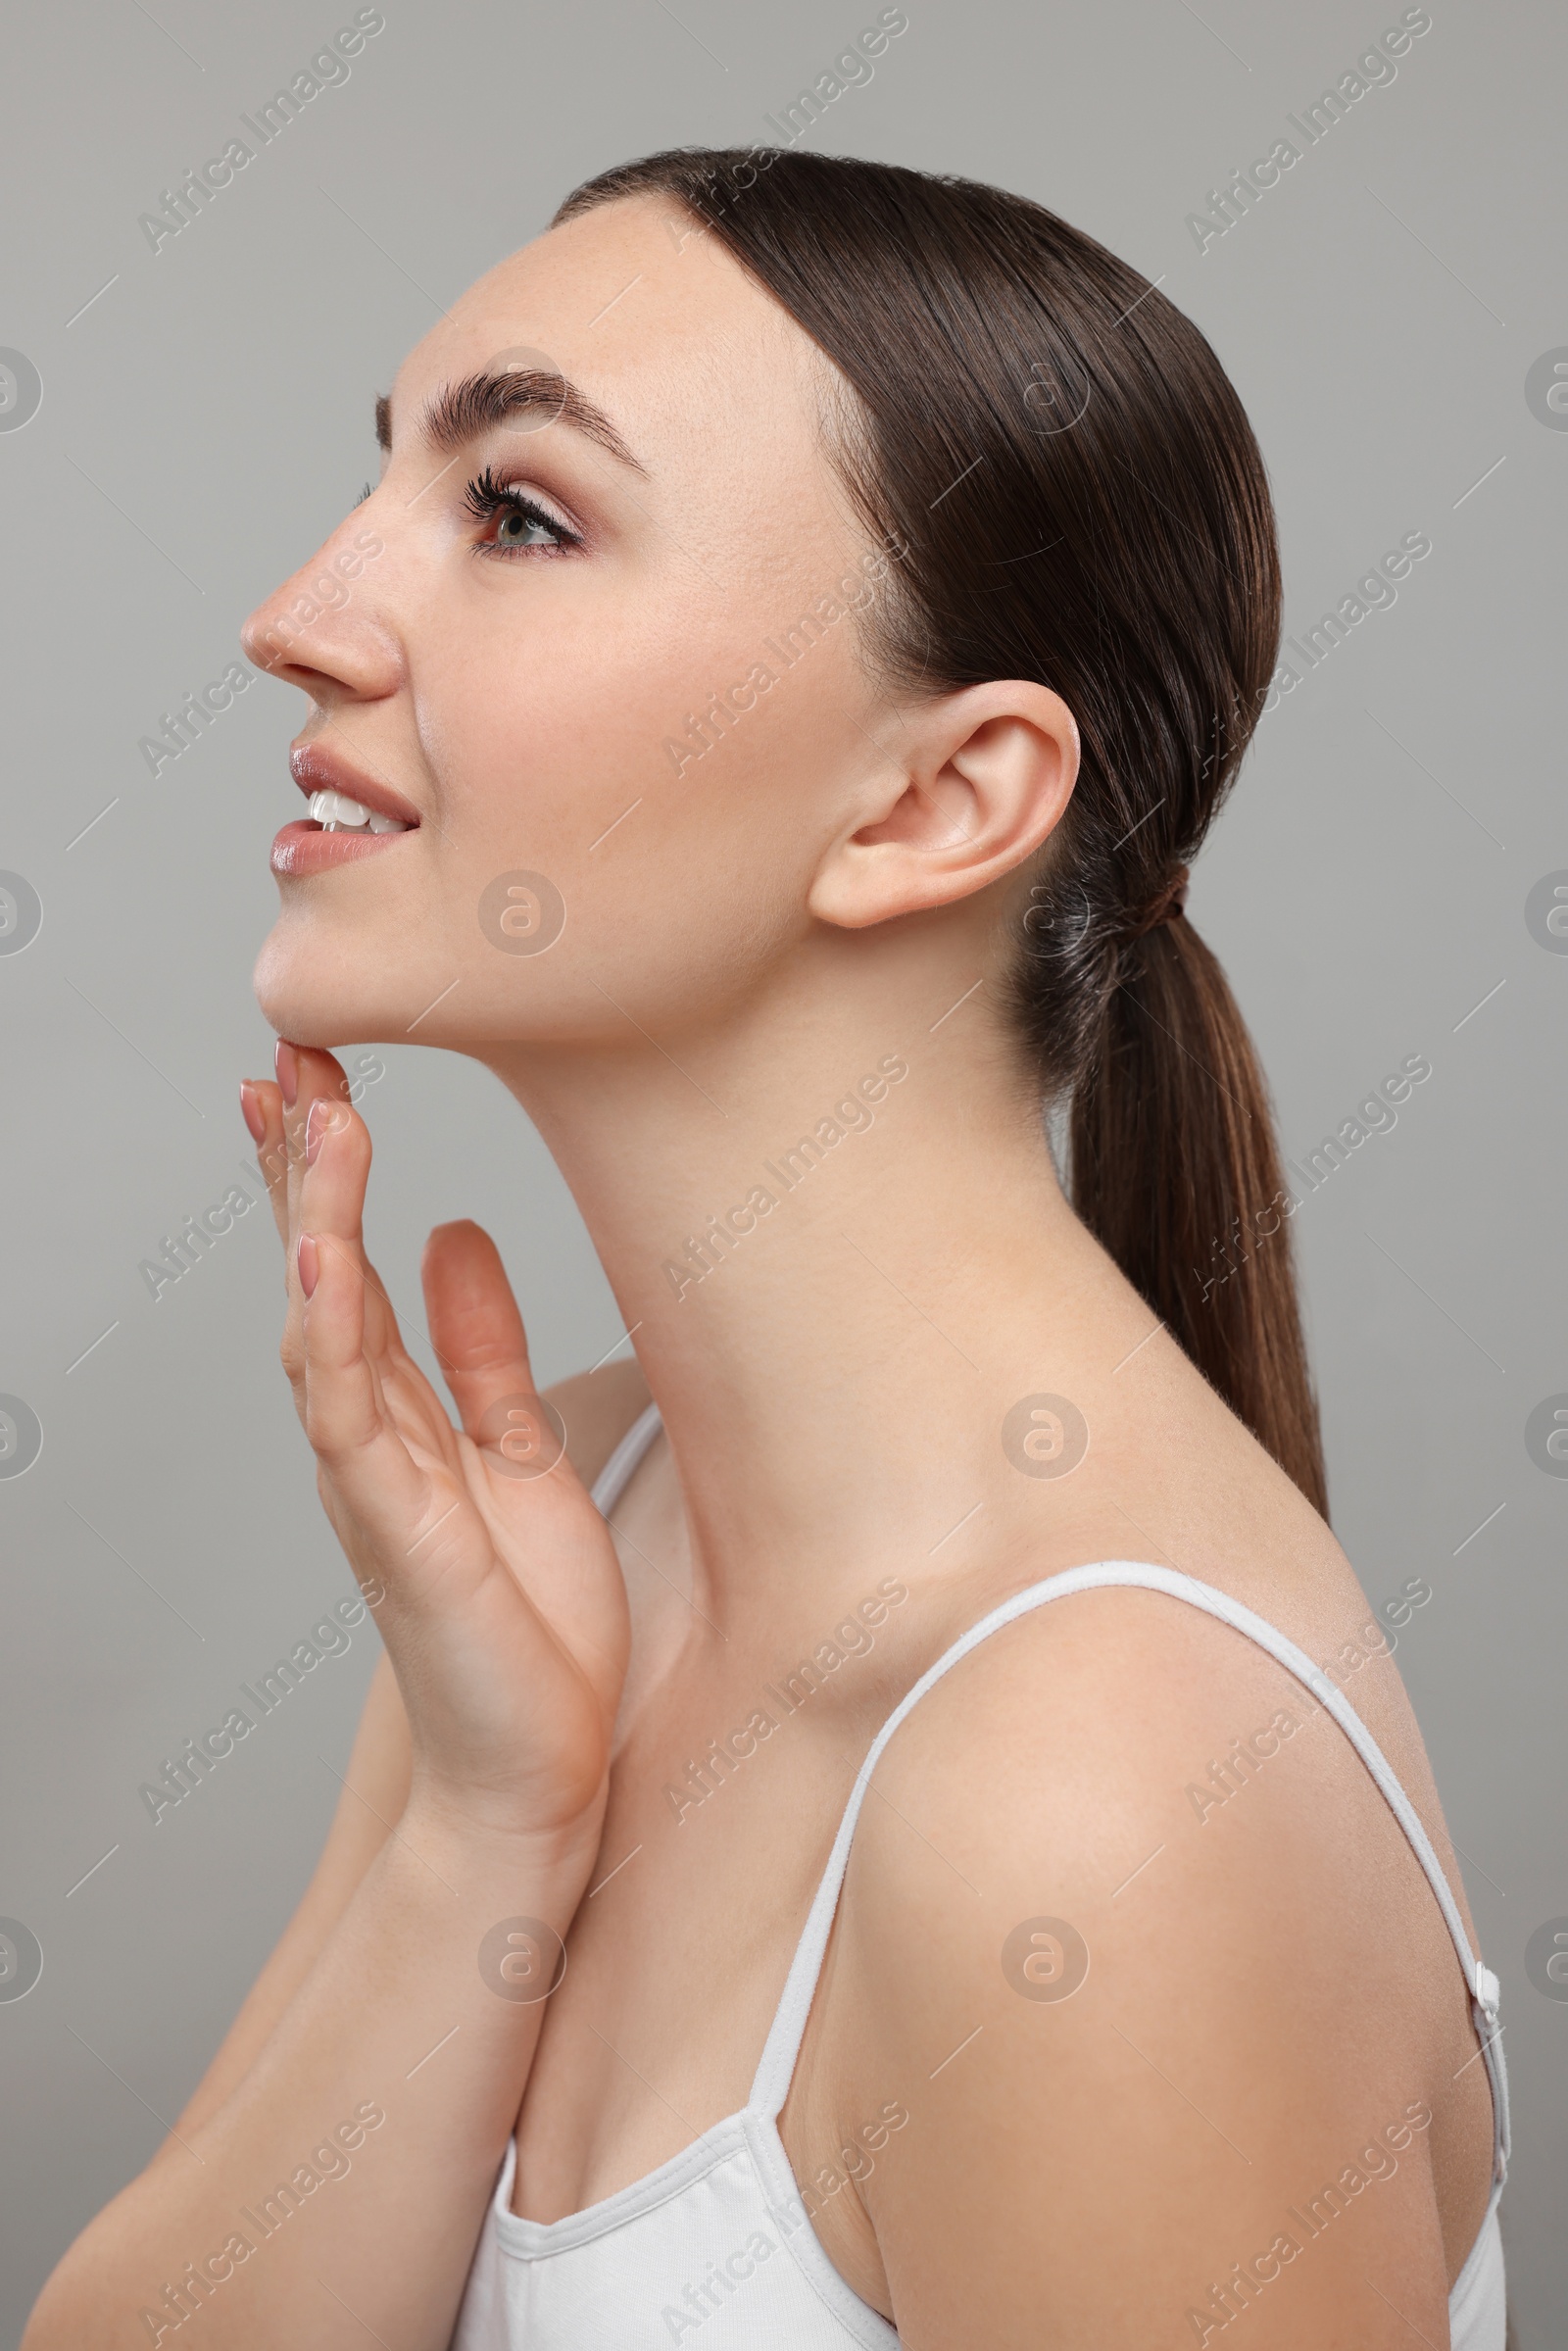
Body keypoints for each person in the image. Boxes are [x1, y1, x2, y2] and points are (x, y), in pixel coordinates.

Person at [24, 148, 1507, 2350]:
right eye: (384, 482)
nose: (302, 611)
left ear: (934, 803)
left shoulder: (1094, 1806)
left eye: (516, 514)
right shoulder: (587, 1534)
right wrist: (481, 1835)